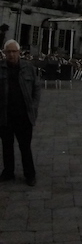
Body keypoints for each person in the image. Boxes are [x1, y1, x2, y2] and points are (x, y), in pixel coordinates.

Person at [0, 39, 41, 186]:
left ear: (19, 52)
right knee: (7, 145)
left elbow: (36, 88)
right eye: (8, 51)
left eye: (14, 51)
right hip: (5, 115)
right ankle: (8, 172)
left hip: (24, 115)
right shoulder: (1, 68)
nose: (11, 54)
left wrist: (34, 106)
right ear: (4, 53)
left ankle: (30, 174)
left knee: (25, 146)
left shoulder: (28, 68)